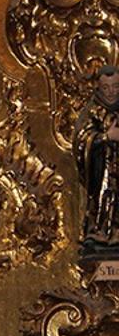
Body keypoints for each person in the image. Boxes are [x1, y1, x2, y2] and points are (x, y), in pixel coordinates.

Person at [73, 66, 119, 258]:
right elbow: (81, 139)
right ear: (99, 88)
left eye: (115, 87)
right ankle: (100, 231)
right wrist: (106, 137)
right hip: (102, 168)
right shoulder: (92, 110)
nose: (111, 92)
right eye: (106, 88)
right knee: (104, 195)